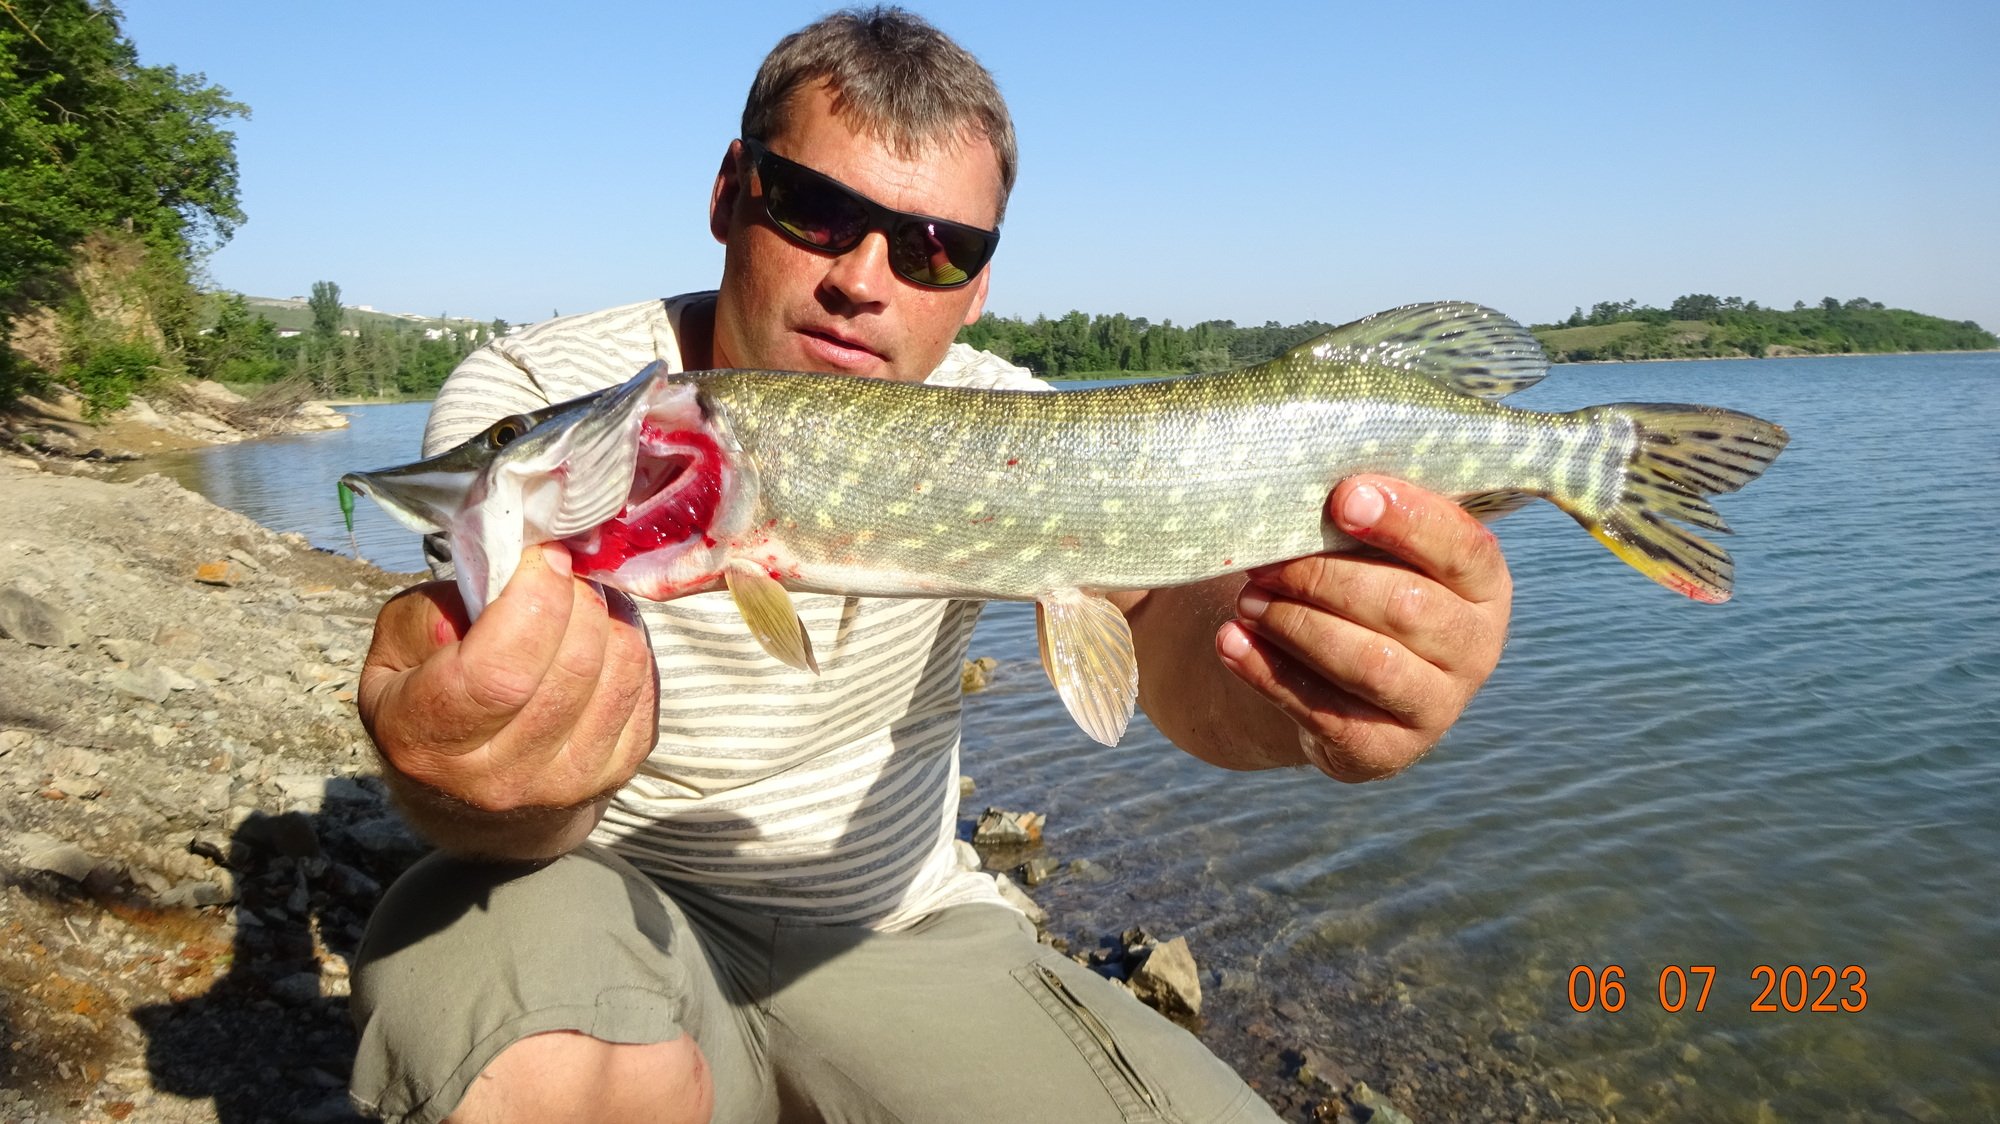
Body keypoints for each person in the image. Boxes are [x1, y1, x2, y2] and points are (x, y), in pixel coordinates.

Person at [348, 9, 1512, 1123]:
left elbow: (1165, 634)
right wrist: (472, 775)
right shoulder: (544, 408)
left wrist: (1318, 691)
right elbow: (489, 800)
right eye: (813, 208)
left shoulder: (1008, 417)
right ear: (728, 191)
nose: (863, 278)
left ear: (980, 284)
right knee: (538, 1057)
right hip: (606, 912)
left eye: (934, 249)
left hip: (899, 933)